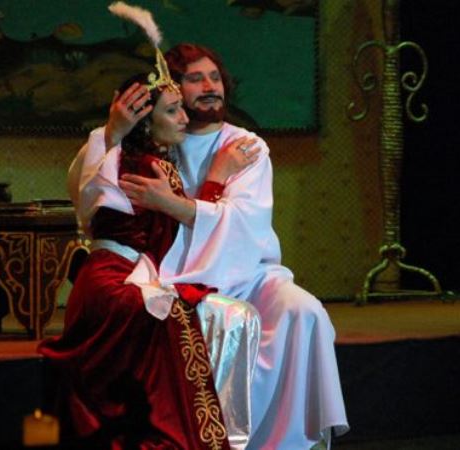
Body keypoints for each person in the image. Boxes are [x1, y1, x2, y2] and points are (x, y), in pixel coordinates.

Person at [90, 43, 350, 449]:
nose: (210, 87)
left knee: (305, 311)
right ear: (173, 90)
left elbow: (245, 226)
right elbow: (95, 186)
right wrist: (114, 131)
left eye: (214, 78)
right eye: (195, 79)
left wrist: (177, 201)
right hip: (173, 273)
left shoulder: (245, 146)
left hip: (249, 272)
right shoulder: (155, 136)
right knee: (225, 320)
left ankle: (288, 442)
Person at [39, 41, 262, 447]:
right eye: (173, 111)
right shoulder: (145, 167)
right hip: (116, 284)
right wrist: (215, 179)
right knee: (191, 319)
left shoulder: (133, 160)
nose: (184, 118)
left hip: (109, 280)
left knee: (223, 316)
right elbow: (178, 236)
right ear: (145, 122)